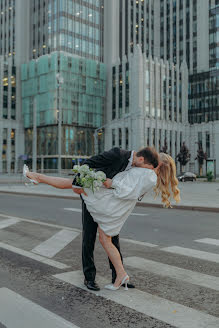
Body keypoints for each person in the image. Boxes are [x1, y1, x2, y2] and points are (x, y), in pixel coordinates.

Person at [25, 147, 159, 291]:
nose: (146, 171)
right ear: (141, 159)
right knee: (89, 237)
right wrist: (78, 183)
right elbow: (89, 163)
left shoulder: (134, 166)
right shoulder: (117, 154)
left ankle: (118, 276)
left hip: (107, 202)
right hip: (93, 196)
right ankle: (89, 278)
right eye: (147, 168)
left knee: (113, 239)